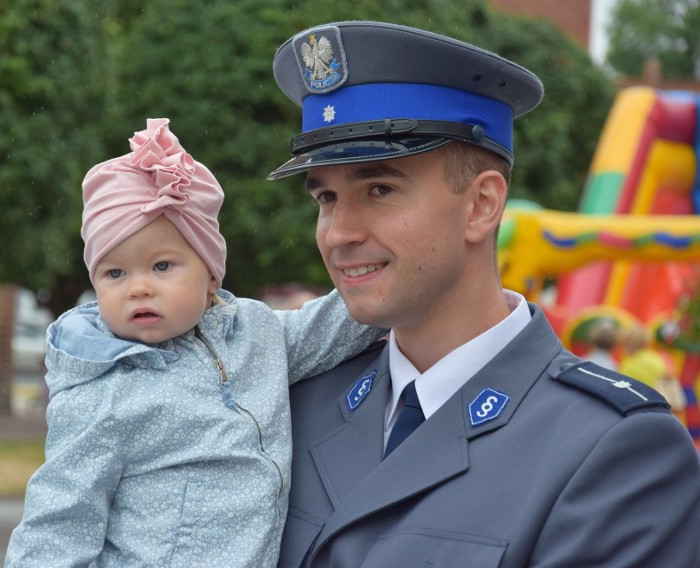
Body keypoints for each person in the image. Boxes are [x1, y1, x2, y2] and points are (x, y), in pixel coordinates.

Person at [267, 21, 700, 567]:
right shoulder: (294, 405)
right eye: (326, 197)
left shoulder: (614, 451)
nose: (339, 232)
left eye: (379, 190)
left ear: (482, 205)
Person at [4, 118, 386, 567]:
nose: (138, 288)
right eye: (115, 273)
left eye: (162, 266)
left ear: (209, 274)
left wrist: (424, 286)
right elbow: (58, 524)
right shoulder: (103, 392)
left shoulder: (258, 334)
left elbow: (340, 324)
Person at [620, 323, 686, 412]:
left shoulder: (628, 364)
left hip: (640, 408)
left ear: (626, 343)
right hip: (660, 406)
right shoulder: (656, 358)